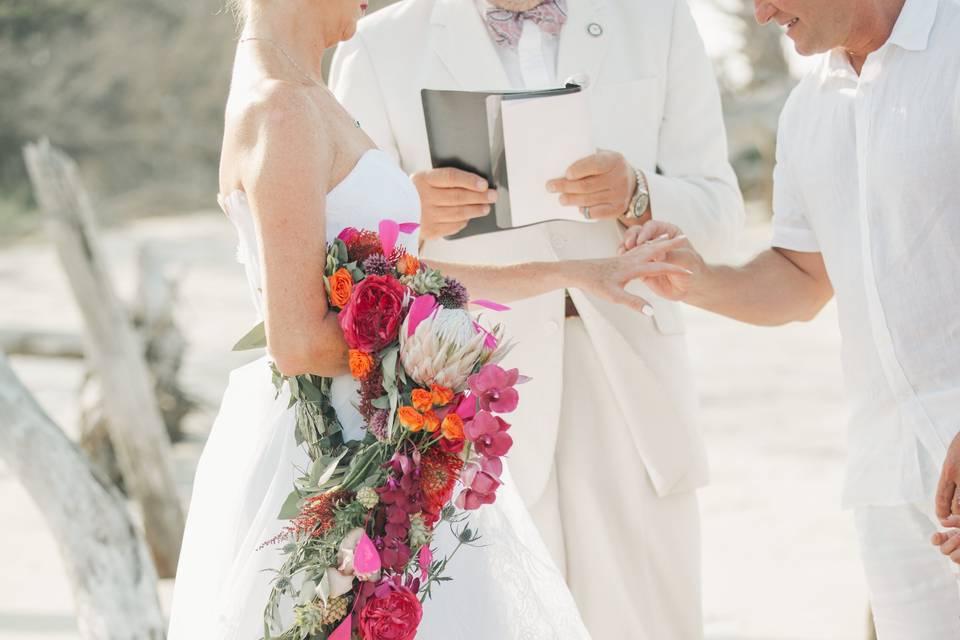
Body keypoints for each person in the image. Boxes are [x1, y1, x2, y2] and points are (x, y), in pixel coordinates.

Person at [165, 0, 689, 637]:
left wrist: (579, 273)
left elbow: (407, 283)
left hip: (389, 434)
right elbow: (299, 341)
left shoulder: (305, 94)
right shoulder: (282, 107)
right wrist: (439, 361)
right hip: (342, 443)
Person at [329, 1, 744, 637]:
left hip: (631, 387)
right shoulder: (379, 44)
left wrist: (637, 193)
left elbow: (721, 218)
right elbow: (340, 255)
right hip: (468, 402)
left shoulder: (656, 17)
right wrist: (410, 211)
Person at [620, 0, 960, 637]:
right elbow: (803, 279)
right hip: (886, 478)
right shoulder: (809, 109)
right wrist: (697, 279)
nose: (761, 12)